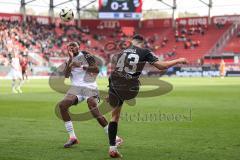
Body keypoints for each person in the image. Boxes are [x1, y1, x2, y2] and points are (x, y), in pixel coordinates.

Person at [106, 35, 188, 158]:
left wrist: (110, 91)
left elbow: (114, 71)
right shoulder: (144, 51)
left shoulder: (122, 52)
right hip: (129, 86)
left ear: (132, 42)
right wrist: (178, 60)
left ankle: (112, 148)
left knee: (114, 116)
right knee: (134, 84)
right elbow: (162, 66)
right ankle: (113, 148)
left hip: (114, 83)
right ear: (142, 43)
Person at [58, 42, 122, 148]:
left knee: (93, 108)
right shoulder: (67, 60)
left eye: (74, 46)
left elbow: (96, 69)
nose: (72, 48)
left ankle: (115, 138)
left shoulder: (86, 55)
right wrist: (70, 61)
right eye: (70, 47)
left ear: (78, 47)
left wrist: (81, 66)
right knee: (62, 105)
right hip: (76, 88)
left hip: (89, 86)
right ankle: (72, 137)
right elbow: (66, 75)